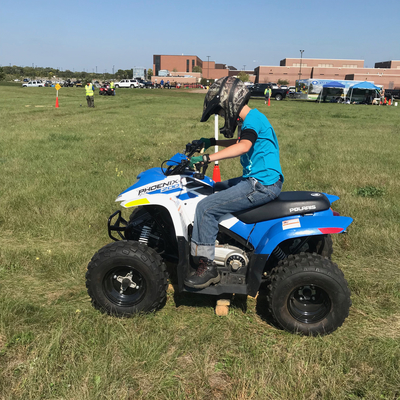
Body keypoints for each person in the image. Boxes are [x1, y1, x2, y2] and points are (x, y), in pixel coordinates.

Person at [184, 77, 284, 289]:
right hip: (258, 180)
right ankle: (218, 240)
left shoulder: (253, 119)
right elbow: (241, 141)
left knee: (205, 207)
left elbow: (244, 146)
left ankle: (207, 265)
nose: (221, 116)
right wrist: (212, 142)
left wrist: (208, 158)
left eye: (220, 111)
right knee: (212, 188)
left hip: (261, 184)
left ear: (230, 103)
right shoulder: (251, 119)